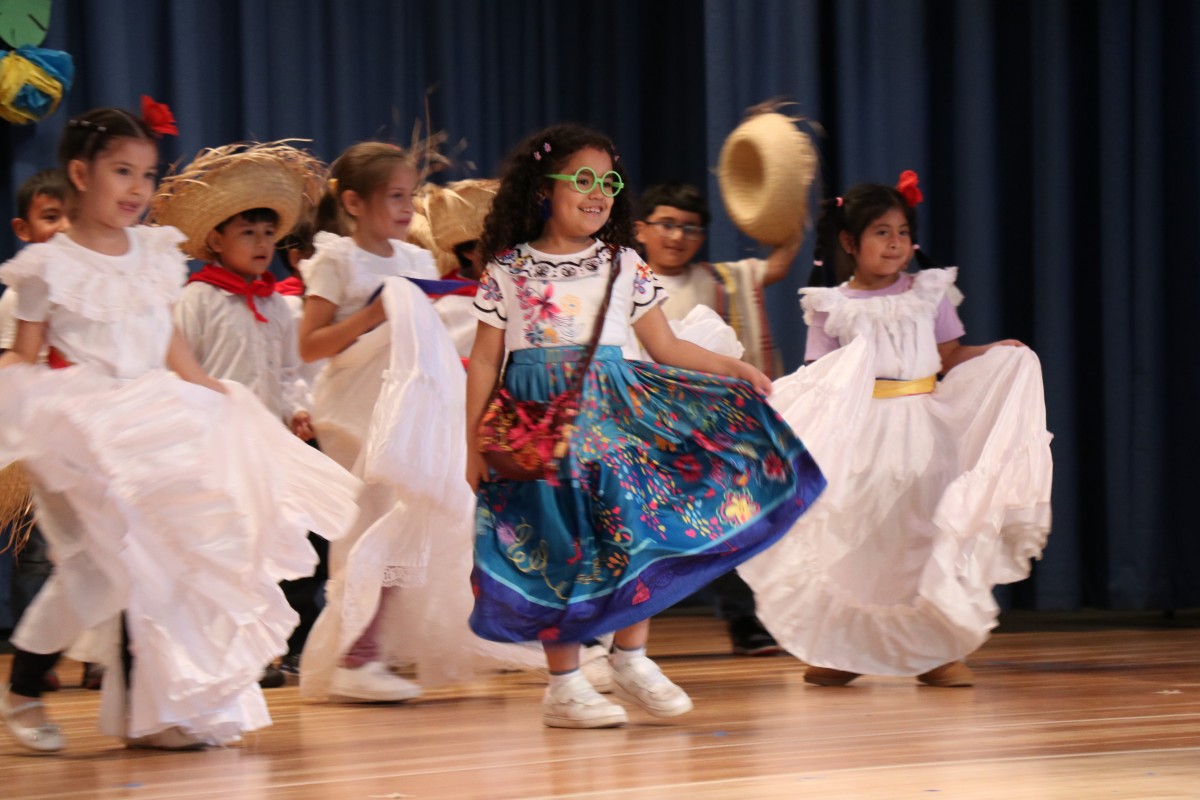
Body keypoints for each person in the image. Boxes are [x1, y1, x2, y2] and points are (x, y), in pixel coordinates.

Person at [0, 106, 359, 753]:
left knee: (161, 565)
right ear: (80, 174)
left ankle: (155, 710)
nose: (138, 188)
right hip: (77, 429)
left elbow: (166, 344)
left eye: (146, 173)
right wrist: (23, 400)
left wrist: (215, 399)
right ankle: (24, 687)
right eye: (122, 171)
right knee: (97, 573)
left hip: (152, 421)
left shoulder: (153, 255)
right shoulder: (43, 268)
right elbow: (23, 354)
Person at [464, 123, 826, 729]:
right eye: (583, 178)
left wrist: (731, 367)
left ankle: (630, 657)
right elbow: (483, 359)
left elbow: (664, 345)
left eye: (609, 180)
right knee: (560, 546)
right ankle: (565, 683)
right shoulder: (509, 268)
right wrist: (472, 440)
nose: (599, 191)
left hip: (611, 416)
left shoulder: (622, 263)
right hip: (536, 427)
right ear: (542, 188)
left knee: (640, 525)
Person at [739, 174, 1053, 687]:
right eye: (881, 233)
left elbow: (949, 356)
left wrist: (995, 354)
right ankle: (840, 647)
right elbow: (823, 375)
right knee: (857, 537)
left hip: (924, 430)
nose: (895, 244)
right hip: (862, 433)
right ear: (849, 242)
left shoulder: (929, 294)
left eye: (903, 232)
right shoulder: (831, 305)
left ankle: (934, 650)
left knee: (921, 534)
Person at [298, 141, 539, 703]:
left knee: (409, 521)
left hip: (405, 405)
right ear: (354, 203)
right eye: (395, 197)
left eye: (411, 197)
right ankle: (352, 655)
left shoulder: (415, 260)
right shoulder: (336, 261)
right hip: (353, 409)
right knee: (365, 524)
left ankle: (375, 649)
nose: (408, 209)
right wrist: (372, 314)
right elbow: (310, 345)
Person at [632, 181, 805, 656]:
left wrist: (789, 208)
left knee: (729, 516)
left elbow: (778, 265)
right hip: (638, 424)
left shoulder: (719, 281)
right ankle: (607, 633)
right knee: (629, 526)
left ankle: (744, 622)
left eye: (690, 228)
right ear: (640, 230)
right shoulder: (622, 280)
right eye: (667, 224)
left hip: (706, 428)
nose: (677, 236)